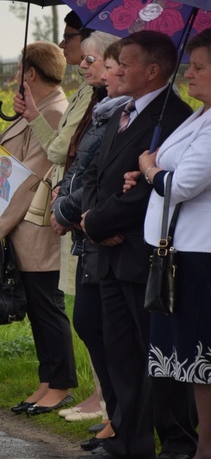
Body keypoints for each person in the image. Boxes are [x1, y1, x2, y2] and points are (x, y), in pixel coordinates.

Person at [80, 31, 197, 459]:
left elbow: (152, 188)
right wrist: (91, 222)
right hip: (109, 255)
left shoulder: (176, 117)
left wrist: (102, 221)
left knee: (161, 358)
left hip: (144, 254)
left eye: (126, 63)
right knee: (122, 356)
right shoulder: (119, 113)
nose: (117, 69)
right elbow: (96, 174)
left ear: (152, 70)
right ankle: (129, 441)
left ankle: (179, 443)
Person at [120, 28, 211, 459]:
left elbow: (184, 183)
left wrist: (150, 169)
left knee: (201, 360)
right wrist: (149, 174)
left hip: (201, 252)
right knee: (191, 361)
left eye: (199, 67)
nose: (188, 75)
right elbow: (172, 172)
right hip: (180, 251)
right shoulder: (199, 115)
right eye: (189, 65)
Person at [0, 42, 78, 416]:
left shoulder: (55, 112)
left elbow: (30, 179)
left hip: (36, 228)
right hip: (23, 228)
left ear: (30, 74)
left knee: (47, 307)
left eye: (18, 71)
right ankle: (47, 379)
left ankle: (60, 383)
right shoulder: (37, 111)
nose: (13, 78)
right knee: (39, 308)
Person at [52, 34, 126, 450]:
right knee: (90, 323)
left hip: (99, 228)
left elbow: (93, 170)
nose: (82, 65)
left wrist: (68, 209)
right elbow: (80, 163)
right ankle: (116, 416)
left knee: (105, 328)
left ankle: (121, 419)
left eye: (93, 59)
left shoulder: (117, 111)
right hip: (84, 226)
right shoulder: (98, 106)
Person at [14, 11, 94, 299]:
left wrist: (33, 115)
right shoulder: (84, 89)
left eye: (68, 36)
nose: (62, 44)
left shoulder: (63, 105)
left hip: (65, 208)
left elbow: (58, 151)